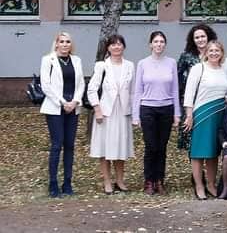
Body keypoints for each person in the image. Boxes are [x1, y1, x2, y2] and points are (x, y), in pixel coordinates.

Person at [132, 31, 181, 195]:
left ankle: (159, 180)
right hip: (148, 108)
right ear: (150, 45)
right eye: (156, 41)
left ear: (164, 44)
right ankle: (149, 180)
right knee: (151, 146)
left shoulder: (171, 63)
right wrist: (135, 115)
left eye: (161, 41)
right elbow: (138, 90)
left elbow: (175, 89)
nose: (159, 44)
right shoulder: (142, 64)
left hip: (166, 108)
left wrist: (177, 113)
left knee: (162, 147)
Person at [88, 34, 135, 195]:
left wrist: (134, 112)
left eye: (119, 44)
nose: (116, 47)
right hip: (106, 112)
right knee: (105, 148)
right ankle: (107, 181)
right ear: (108, 47)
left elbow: (133, 91)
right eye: (113, 44)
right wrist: (97, 109)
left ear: (124, 47)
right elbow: (92, 89)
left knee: (121, 147)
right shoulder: (102, 66)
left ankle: (120, 180)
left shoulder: (130, 66)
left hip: (123, 112)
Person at [183, 40, 227, 200]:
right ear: (206, 53)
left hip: (220, 113)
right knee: (198, 152)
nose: (214, 53)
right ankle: (199, 186)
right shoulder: (199, 68)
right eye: (211, 51)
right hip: (202, 113)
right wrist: (189, 115)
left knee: (213, 152)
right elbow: (189, 93)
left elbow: (226, 91)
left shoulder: (224, 69)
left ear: (222, 53)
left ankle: (211, 184)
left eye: (217, 50)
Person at [40, 31, 85, 198]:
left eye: (68, 42)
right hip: (55, 107)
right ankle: (53, 184)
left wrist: (75, 101)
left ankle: (67, 183)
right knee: (57, 145)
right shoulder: (48, 60)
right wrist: (62, 102)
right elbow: (46, 85)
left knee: (70, 145)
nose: (65, 44)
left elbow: (81, 84)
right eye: (62, 41)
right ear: (56, 44)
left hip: (73, 107)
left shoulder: (76, 60)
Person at [177, 24, 216, 151]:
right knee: (191, 136)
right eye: (197, 37)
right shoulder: (187, 56)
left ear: (208, 37)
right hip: (190, 102)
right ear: (192, 40)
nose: (200, 39)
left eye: (203, 36)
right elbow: (178, 78)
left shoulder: (215, 54)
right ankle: (194, 164)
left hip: (210, 100)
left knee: (209, 136)